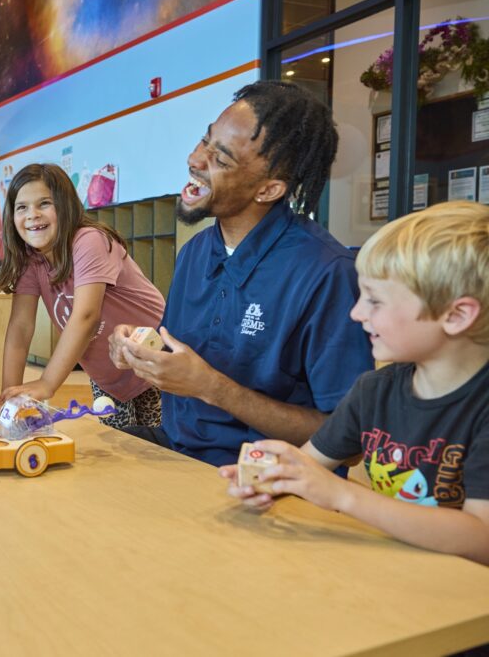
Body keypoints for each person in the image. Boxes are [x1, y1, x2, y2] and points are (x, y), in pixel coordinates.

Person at [110, 80, 372, 465]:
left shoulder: (326, 274)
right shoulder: (195, 252)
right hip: (177, 450)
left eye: (222, 159)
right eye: (205, 141)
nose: (195, 160)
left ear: (268, 190)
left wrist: (213, 388)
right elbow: (178, 353)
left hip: (261, 478)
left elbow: (349, 444)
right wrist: (137, 348)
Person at [220, 202, 489, 564]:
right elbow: (311, 465)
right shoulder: (375, 390)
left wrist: (343, 496)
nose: (356, 312)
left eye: (375, 300)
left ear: (456, 315)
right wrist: (273, 478)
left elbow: (481, 537)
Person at [0, 163, 166, 430]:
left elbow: (87, 317)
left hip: (155, 361)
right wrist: (10, 395)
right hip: (108, 376)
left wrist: (47, 383)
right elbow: (21, 327)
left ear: (66, 206)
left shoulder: (88, 240)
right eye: (22, 207)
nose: (33, 215)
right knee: (123, 452)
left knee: (166, 452)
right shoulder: (31, 260)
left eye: (44, 203)